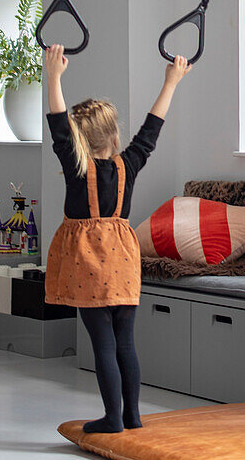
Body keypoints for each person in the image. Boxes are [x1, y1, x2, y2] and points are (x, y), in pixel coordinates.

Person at [44, 43, 192, 433]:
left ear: (78, 140)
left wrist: (53, 78)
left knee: (103, 344)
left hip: (89, 266)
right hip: (124, 263)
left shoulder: (77, 168)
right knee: (125, 341)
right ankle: (133, 415)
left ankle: (112, 417)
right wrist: (171, 82)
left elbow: (58, 125)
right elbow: (151, 130)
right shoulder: (129, 164)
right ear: (112, 137)